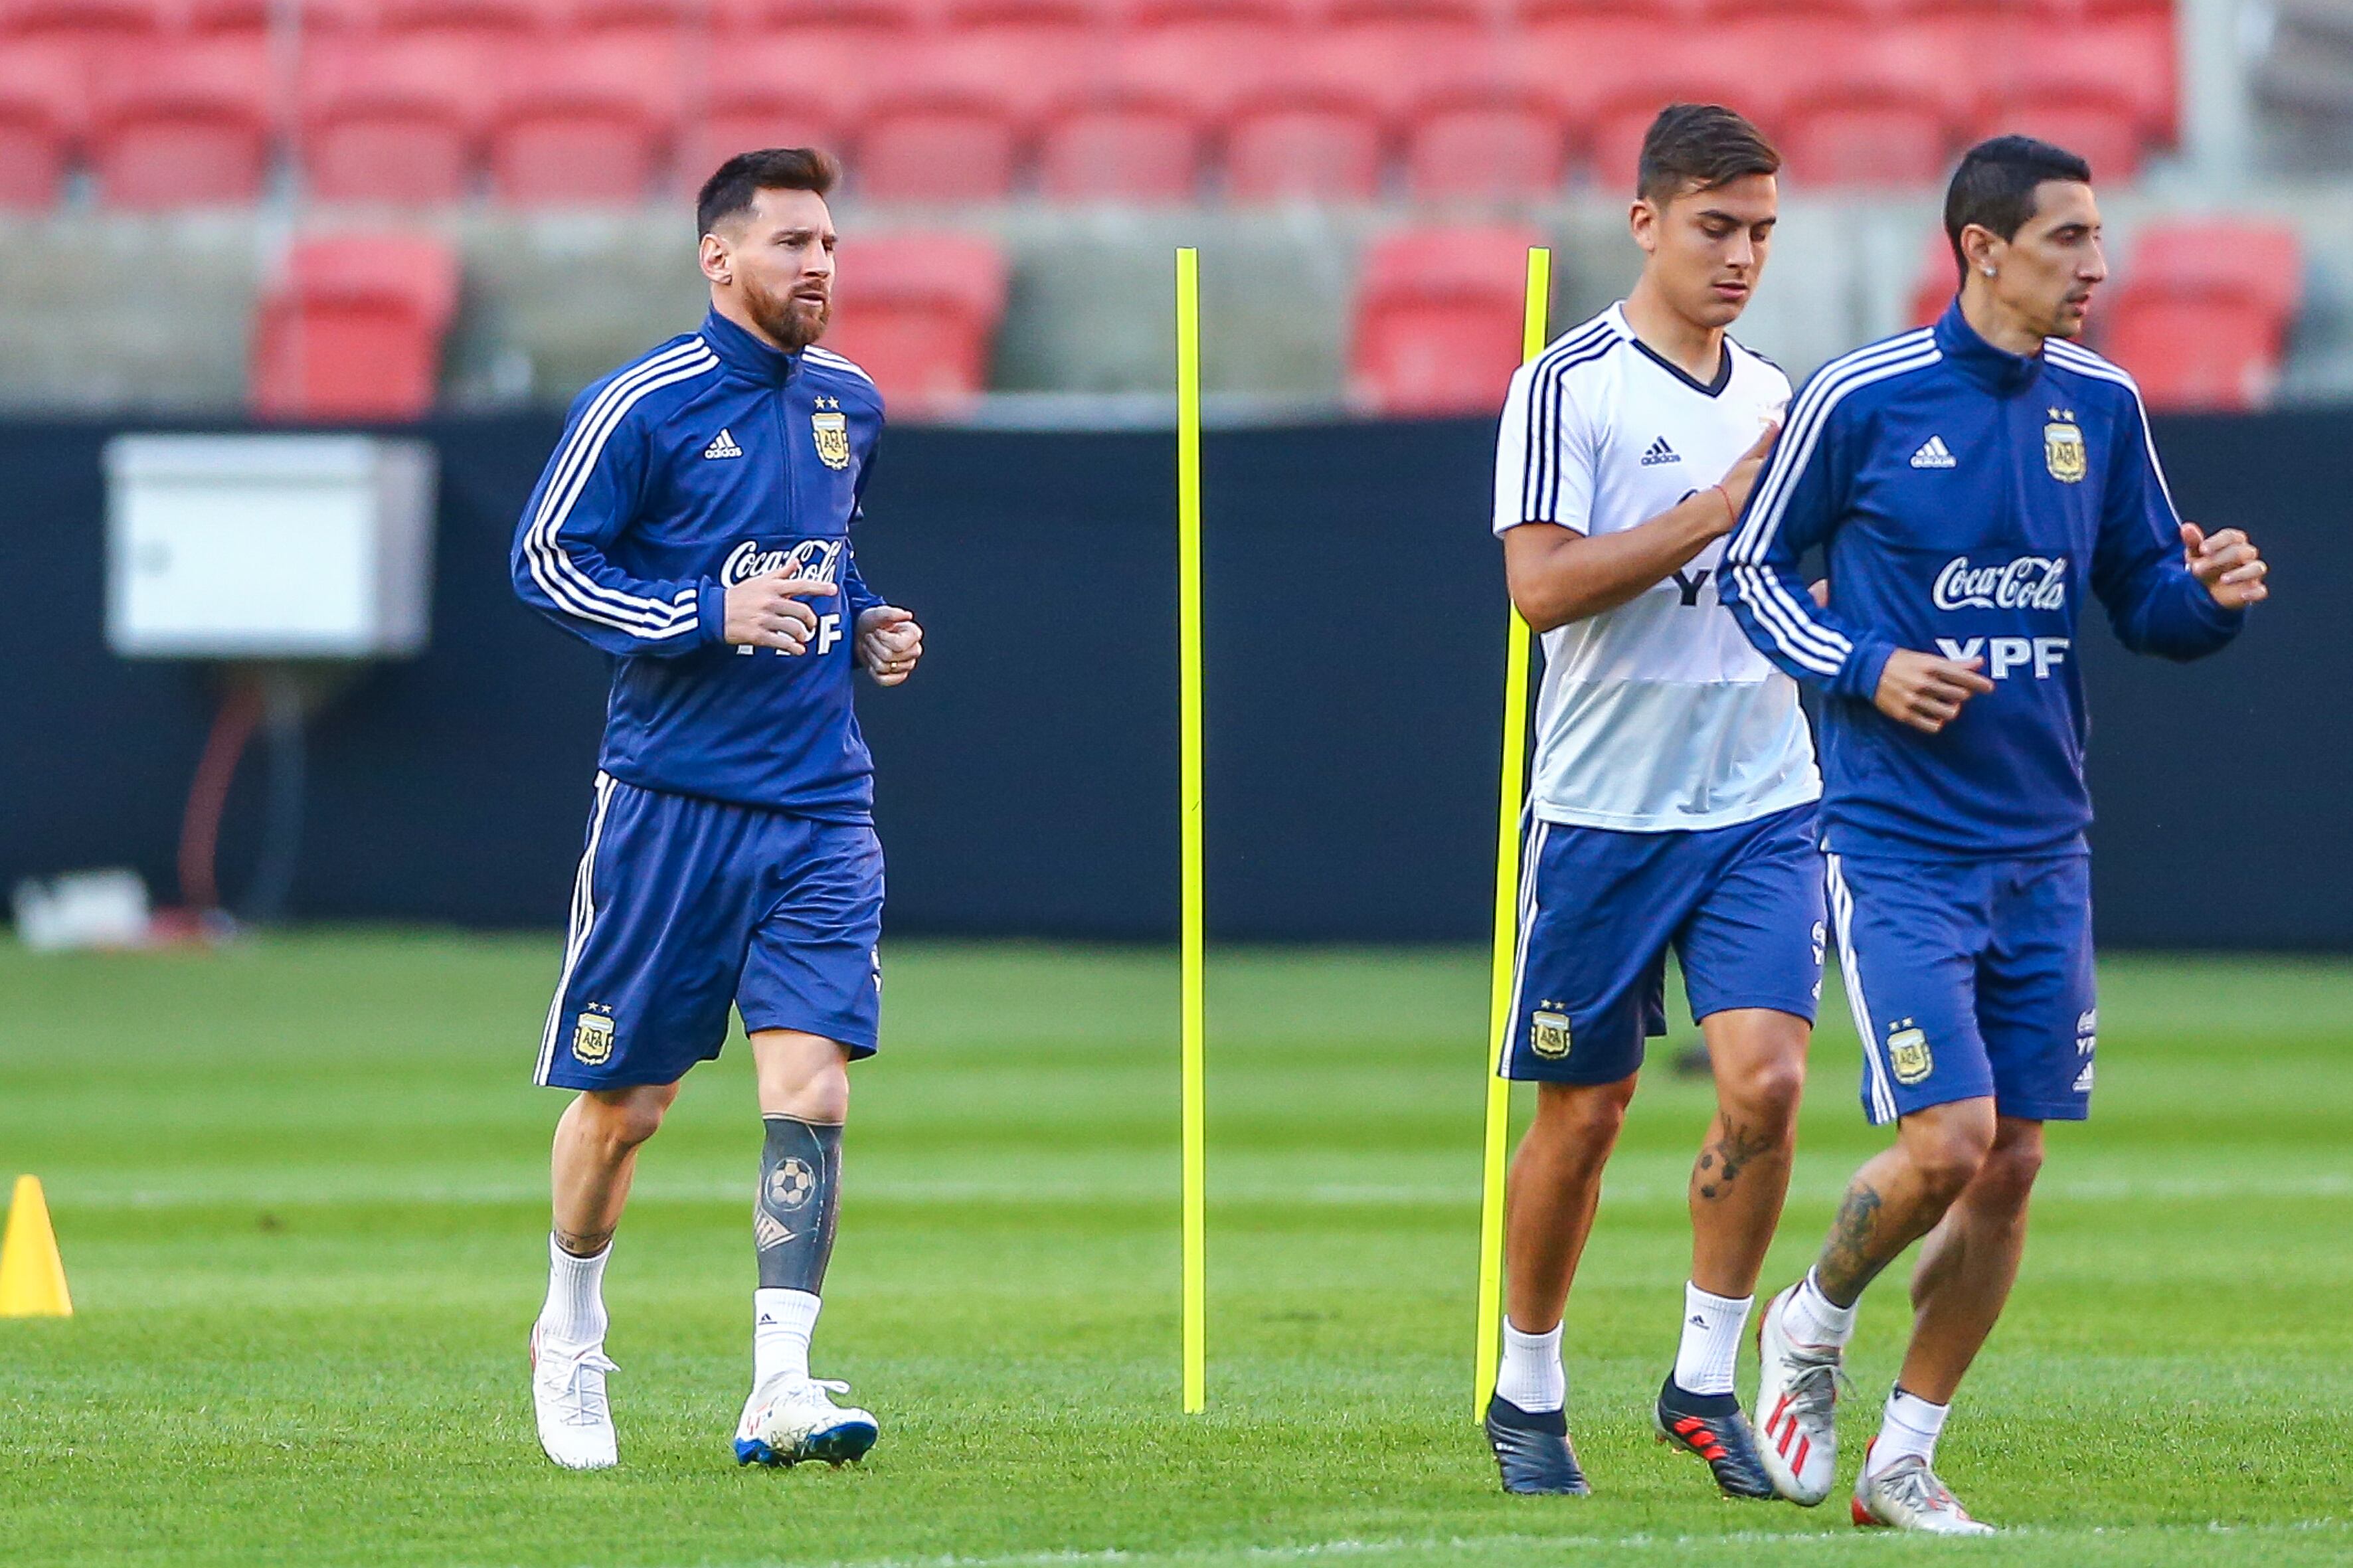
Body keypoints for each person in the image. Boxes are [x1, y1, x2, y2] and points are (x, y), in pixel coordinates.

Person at [1723, 135, 2267, 1533]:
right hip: (1896, 837)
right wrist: (1864, 667)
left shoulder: (2099, 400)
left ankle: (1902, 1456)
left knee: (2011, 1161)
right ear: (1980, 248)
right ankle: (1808, 1313)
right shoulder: (1863, 394)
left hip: (2044, 839)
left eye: (2097, 238)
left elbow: (2139, 591)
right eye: (2067, 239)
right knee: (1947, 1140)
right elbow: (1750, 572)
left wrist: (2204, 598)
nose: (2097, 265)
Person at [509, 147, 925, 1473]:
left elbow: (824, 554)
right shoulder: (644, 402)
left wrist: (863, 623)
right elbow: (546, 558)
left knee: (810, 1089)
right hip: (670, 809)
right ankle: (571, 1325)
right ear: (718, 257)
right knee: (625, 1106)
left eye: (830, 242)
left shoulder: (848, 404)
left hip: (818, 806)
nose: (819, 263)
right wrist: (703, 611)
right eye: (793, 241)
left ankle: (780, 1382)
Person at [1482, 103, 1826, 1500]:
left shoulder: (1789, 399)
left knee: (1767, 1079)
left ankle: (1701, 1374)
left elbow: (1815, 583)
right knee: (1586, 1111)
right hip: (1602, 807)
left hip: (1761, 796)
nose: (1740, 255)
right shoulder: (1566, 389)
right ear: (1644, 222)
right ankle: (1526, 1383)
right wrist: (1710, 513)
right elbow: (1539, 589)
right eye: (1714, 227)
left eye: (1758, 230)